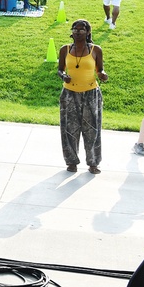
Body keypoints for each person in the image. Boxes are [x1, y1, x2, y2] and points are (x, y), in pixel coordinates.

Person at [57, 19, 108, 174]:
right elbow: (60, 70)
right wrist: (63, 76)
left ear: (88, 32)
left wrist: (102, 75)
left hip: (91, 94)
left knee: (92, 129)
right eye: (75, 29)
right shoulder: (65, 49)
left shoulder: (95, 50)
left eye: (81, 29)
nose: (78, 32)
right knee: (69, 128)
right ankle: (71, 162)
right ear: (72, 32)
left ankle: (93, 163)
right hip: (69, 94)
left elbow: (100, 70)